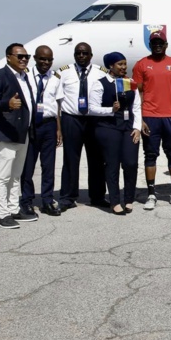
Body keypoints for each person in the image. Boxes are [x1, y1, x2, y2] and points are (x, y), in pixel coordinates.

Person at [132, 31, 171, 210]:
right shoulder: (142, 64)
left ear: (166, 44)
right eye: (154, 42)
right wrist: (140, 119)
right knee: (150, 155)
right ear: (150, 45)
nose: (157, 45)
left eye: (160, 42)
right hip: (150, 116)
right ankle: (151, 195)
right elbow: (138, 93)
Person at [52, 42, 108, 212]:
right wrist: (59, 126)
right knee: (70, 159)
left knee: (97, 160)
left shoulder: (101, 73)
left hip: (94, 120)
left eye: (85, 53)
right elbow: (57, 101)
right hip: (71, 119)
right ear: (75, 55)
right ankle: (68, 197)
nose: (81, 56)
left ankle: (97, 196)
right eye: (78, 53)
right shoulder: (63, 73)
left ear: (91, 55)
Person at [0, 43, 37, 228]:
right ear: (8, 57)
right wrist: (7, 104)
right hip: (5, 132)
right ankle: (2, 214)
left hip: (22, 132)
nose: (24, 59)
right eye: (20, 56)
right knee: (3, 176)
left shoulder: (26, 76)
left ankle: (14, 208)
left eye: (26, 56)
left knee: (16, 175)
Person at [89, 52, 142, 215]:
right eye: (120, 64)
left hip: (128, 127)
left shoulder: (129, 82)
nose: (123, 67)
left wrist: (137, 127)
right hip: (108, 128)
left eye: (125, 64)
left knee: (130, 163)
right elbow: (92, 108)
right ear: (110, 66)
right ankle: (114, 201)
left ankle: (129, 199)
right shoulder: (100, 84)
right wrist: (110, 110)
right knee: (112, 165)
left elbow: (136, 107)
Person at [19, 45, 61, 217]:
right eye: (42, 59)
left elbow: (57, 105)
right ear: (35, 58)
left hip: (49, 125)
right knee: (28, 167)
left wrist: (59, 129)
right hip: (31, 126)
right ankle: (27, 201)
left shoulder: (56, 78)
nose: (46, 62)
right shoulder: (25, 76)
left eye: (49, 59)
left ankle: (47, 201)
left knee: (48, 166)